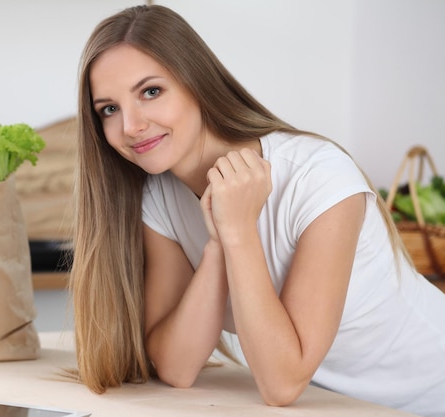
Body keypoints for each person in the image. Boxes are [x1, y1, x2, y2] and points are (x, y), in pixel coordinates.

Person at [69, 4, 445, 416]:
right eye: (109, 109)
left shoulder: (318, 177)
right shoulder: (159, 197)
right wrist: (218, 243)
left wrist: (239, 232)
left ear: (197, 82)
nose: (130, 126)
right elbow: (176, 367)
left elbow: (281, 383)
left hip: (429, 393)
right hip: (331, 406)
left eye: (151, 92)